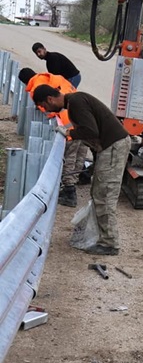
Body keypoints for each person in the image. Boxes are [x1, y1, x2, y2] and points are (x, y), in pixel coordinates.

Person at [32, 84, 131, 255]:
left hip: (113, 147)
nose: (48, 110)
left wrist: (68, 133)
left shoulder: (76, 103)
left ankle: (110, 243)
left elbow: (90, 130)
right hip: (108, 147)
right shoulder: (74, 103)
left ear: (50, 99)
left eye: (45, 106)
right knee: (98, 192)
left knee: (105, 195)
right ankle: (102, 237)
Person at [18, 67, 89, 207]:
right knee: (80, 152)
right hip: (83, 119)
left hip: (69, 122)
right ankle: (76, 179)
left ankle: (69, 190)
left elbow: (47, 109)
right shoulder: (50, 77)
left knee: (69, 155)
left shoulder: (37, 87)